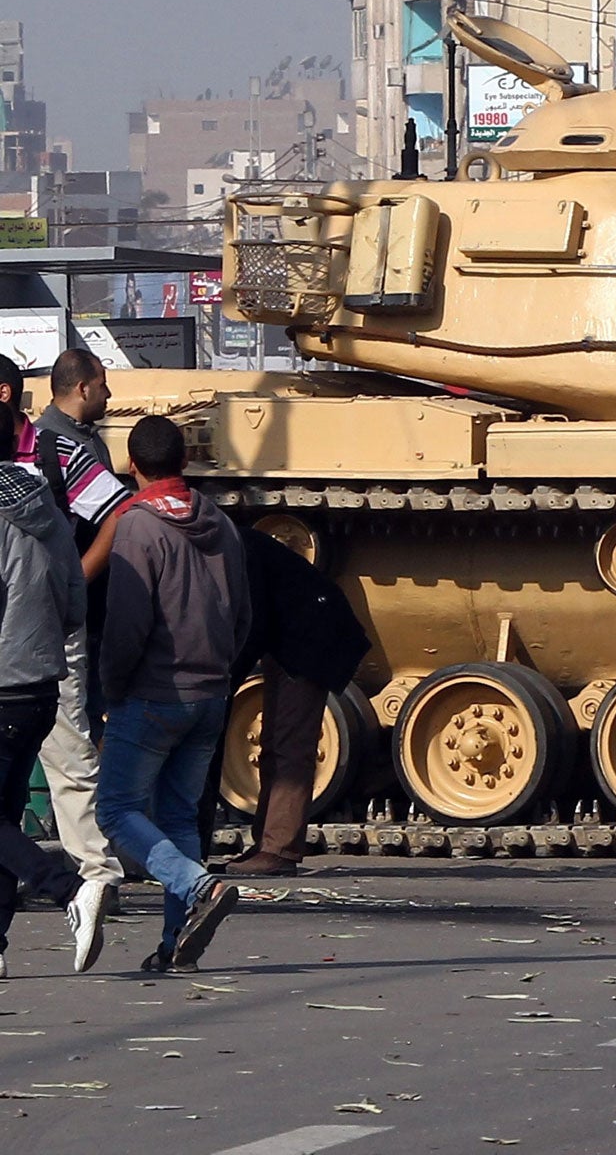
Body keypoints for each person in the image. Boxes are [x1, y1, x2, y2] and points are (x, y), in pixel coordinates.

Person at [97, 415, 251, 971]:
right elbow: (242, 614)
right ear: (185, 461)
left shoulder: (137, 527)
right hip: (210, 690)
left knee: (115, 811)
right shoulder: (217, 520)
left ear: (131, 466)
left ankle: (197, 885)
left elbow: (125, 625)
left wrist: (111, 689)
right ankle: (174, 941)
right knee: (180, 816)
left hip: (152, 693)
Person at [0, 354, 129, 912]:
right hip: (45, 645)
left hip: (23, 654)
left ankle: (88, 878)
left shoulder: (56, 451)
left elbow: (121, 512)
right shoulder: (39, 474)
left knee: (70, 751)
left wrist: (72, 581)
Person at [0, 455, 104, 977]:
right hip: (41, 685)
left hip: (1, 680)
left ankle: (71, 889)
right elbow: (74, 607)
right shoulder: (46, 505)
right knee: (5, 816)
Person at [218, 529, 371, 878]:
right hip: (291, 633)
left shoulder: (236, 553)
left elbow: (249, 630)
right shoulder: (235, 543)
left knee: (289, 743)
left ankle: (279, 849)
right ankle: (268, 842)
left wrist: (224, 684)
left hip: (309, 636)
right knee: (274, 742)